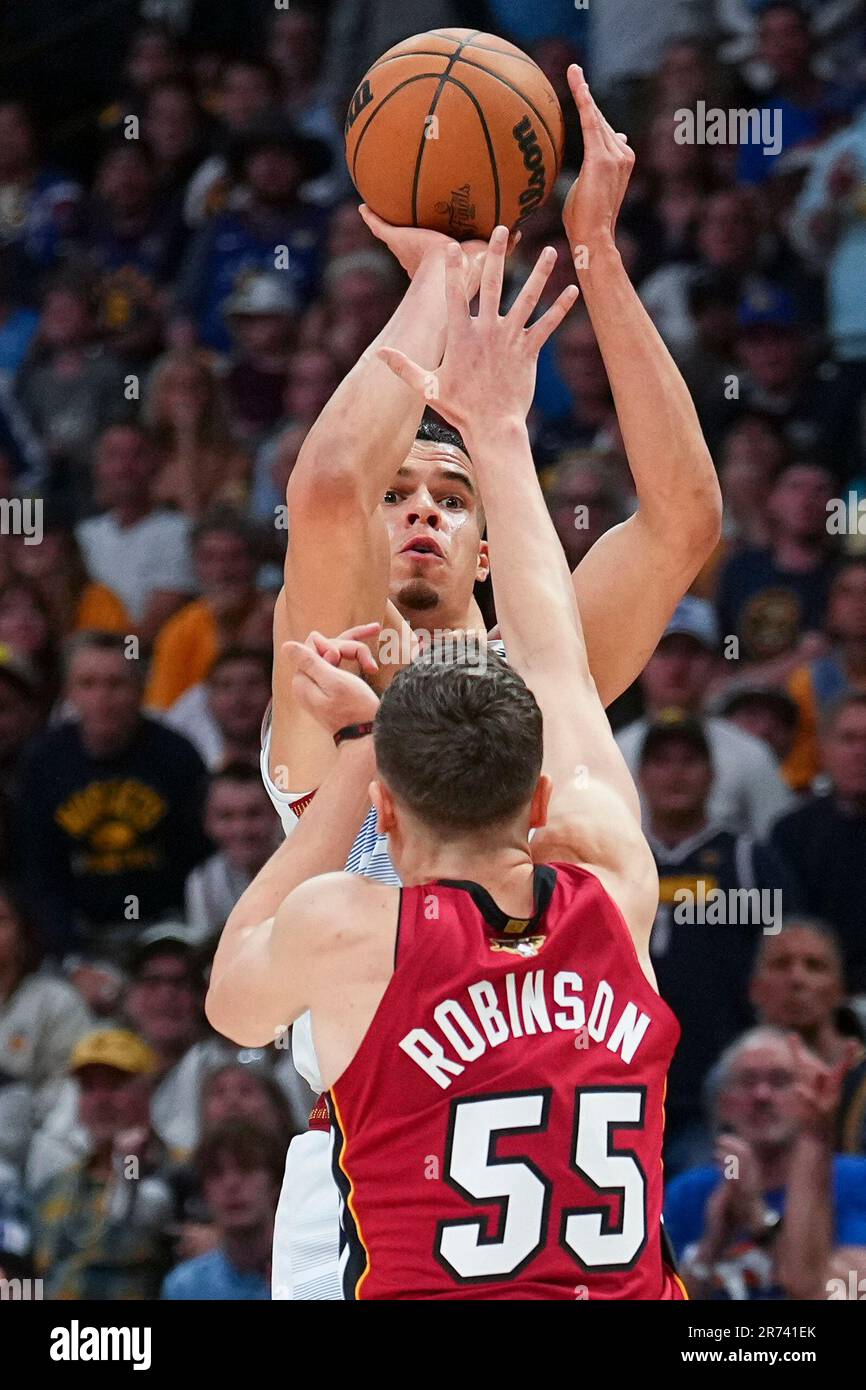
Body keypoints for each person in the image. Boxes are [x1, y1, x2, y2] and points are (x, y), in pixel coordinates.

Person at [258, 66, 721, 1301]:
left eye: (451, 496)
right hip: (374, 1168)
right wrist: (436, 290)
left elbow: (680, 519)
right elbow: (323, 493)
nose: (415, 507)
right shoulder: (332, 668)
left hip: (560, 1119)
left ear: (484, 547)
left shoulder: (536, 667)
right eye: (402, 491)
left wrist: (599, 266)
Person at [638, 714, 801, 1169]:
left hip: (723, 1081)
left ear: (712, 774)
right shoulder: (621, 857)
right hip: (635, 1071)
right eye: (662, 762)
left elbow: (792, 956)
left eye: (689, 761)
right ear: (641, 775)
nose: (676, 774)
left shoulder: (748, 860)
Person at [17, 631, 210, 958]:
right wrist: (71, 957)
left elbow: (199, 856)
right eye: (88, 684)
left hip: (170, 929)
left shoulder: (176, 755)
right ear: (68, 693)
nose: (102, 698)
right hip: (80, 935)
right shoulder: (43, 761)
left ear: (140, 689)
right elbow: (39, 873)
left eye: (116, 684)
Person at [665, 1027, 866, 1300]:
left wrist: (760, 1219)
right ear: (723, 1103)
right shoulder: (687, 1193)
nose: (762, 1095)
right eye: (747, 1082)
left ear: (813, 1091)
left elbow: (837, 1293)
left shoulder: (856, 1181)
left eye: (780, 1081)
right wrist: (712, 1245)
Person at [616, 598, 794, 836]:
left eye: (692, 653)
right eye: (664, 652)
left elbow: (776, 838)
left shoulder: (751, 754)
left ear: (715, 663)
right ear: (639, 662)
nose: (677, 667)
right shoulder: (613, 753)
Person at [30, 1027, 174, 1300]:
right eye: (88, 1088)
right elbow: (28, 1276)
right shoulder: (53, 1186)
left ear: (147, 1094)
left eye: (115, 1085)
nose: (100, 1100)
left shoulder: (180, 1174)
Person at [770, 692, 866, 993]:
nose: (860, 752)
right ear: (824, 749)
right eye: (848, 739)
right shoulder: (792, 832)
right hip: (815, 998)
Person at [750, 919, 866, 1154]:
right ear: (755, 989)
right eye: (781, 965)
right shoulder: (734, 1077)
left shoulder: (862, 1077)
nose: (797, 979)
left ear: (839, 989)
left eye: (814, 966)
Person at [75, 423, 195, 646]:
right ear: (98, 466)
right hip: (86, 655)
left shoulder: (178, 531)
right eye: (114, 455)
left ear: (155, 463)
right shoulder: (84, 534)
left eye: (136, 455)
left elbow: (157, 623)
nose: (124, 466)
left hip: (146, 655)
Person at [0, 884, 91, 1172]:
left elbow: (68, 1086)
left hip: (39, 1141)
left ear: (24, 933)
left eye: (1, 921)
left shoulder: (56, 1000)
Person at [144, 509, 266, 710]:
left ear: (255, 561)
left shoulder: (281, 618)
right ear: (195, 565)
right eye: (209, 559)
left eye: (234, 557)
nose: (222, 571)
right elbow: (163, 711)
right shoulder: (179, 631)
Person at [161, 1120, 283, 1299]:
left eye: (247, 1168)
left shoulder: (309, 1273)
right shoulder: (184, 1287)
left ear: (275, 1184)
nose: (231, 1184)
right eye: (216, 1173)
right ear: (204, 1191)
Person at [185, 764, 280, 945]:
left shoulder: (306, 869)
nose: (241, 829)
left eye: (253, 814)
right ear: (207, 822)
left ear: (276, 813)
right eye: (226, 816)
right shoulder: (203, 882)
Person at [164, 647, 272, 771]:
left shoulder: (294, 769)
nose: (239, 699)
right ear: (208, 699)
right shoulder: (187, 770)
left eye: (253, 684)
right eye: (226, 686)